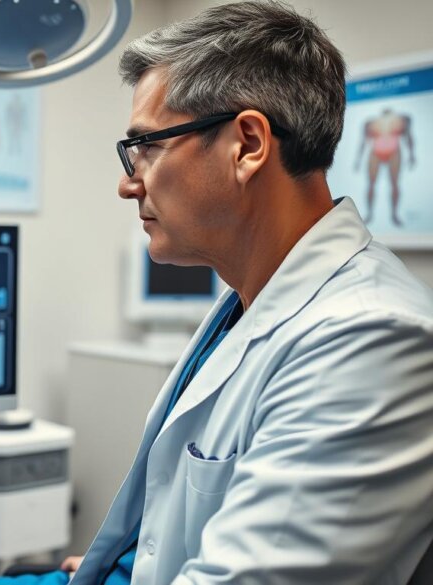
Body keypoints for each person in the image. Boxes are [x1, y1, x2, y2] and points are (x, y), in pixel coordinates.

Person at [57, 2, 433, 584]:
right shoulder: (251, 299)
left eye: (146, 147)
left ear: (248, 144)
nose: (128, 183)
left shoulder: (369, 339)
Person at [354, 108, 416, 226]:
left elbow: (409, 138)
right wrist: (358, 159)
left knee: (394, 183)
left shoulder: (401, 120)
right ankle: (369, 214)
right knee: (371, 184)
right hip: (376, 153)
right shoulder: (371, 123)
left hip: (394, 152)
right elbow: (363, 141)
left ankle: (394, 214)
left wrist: (412, 155)